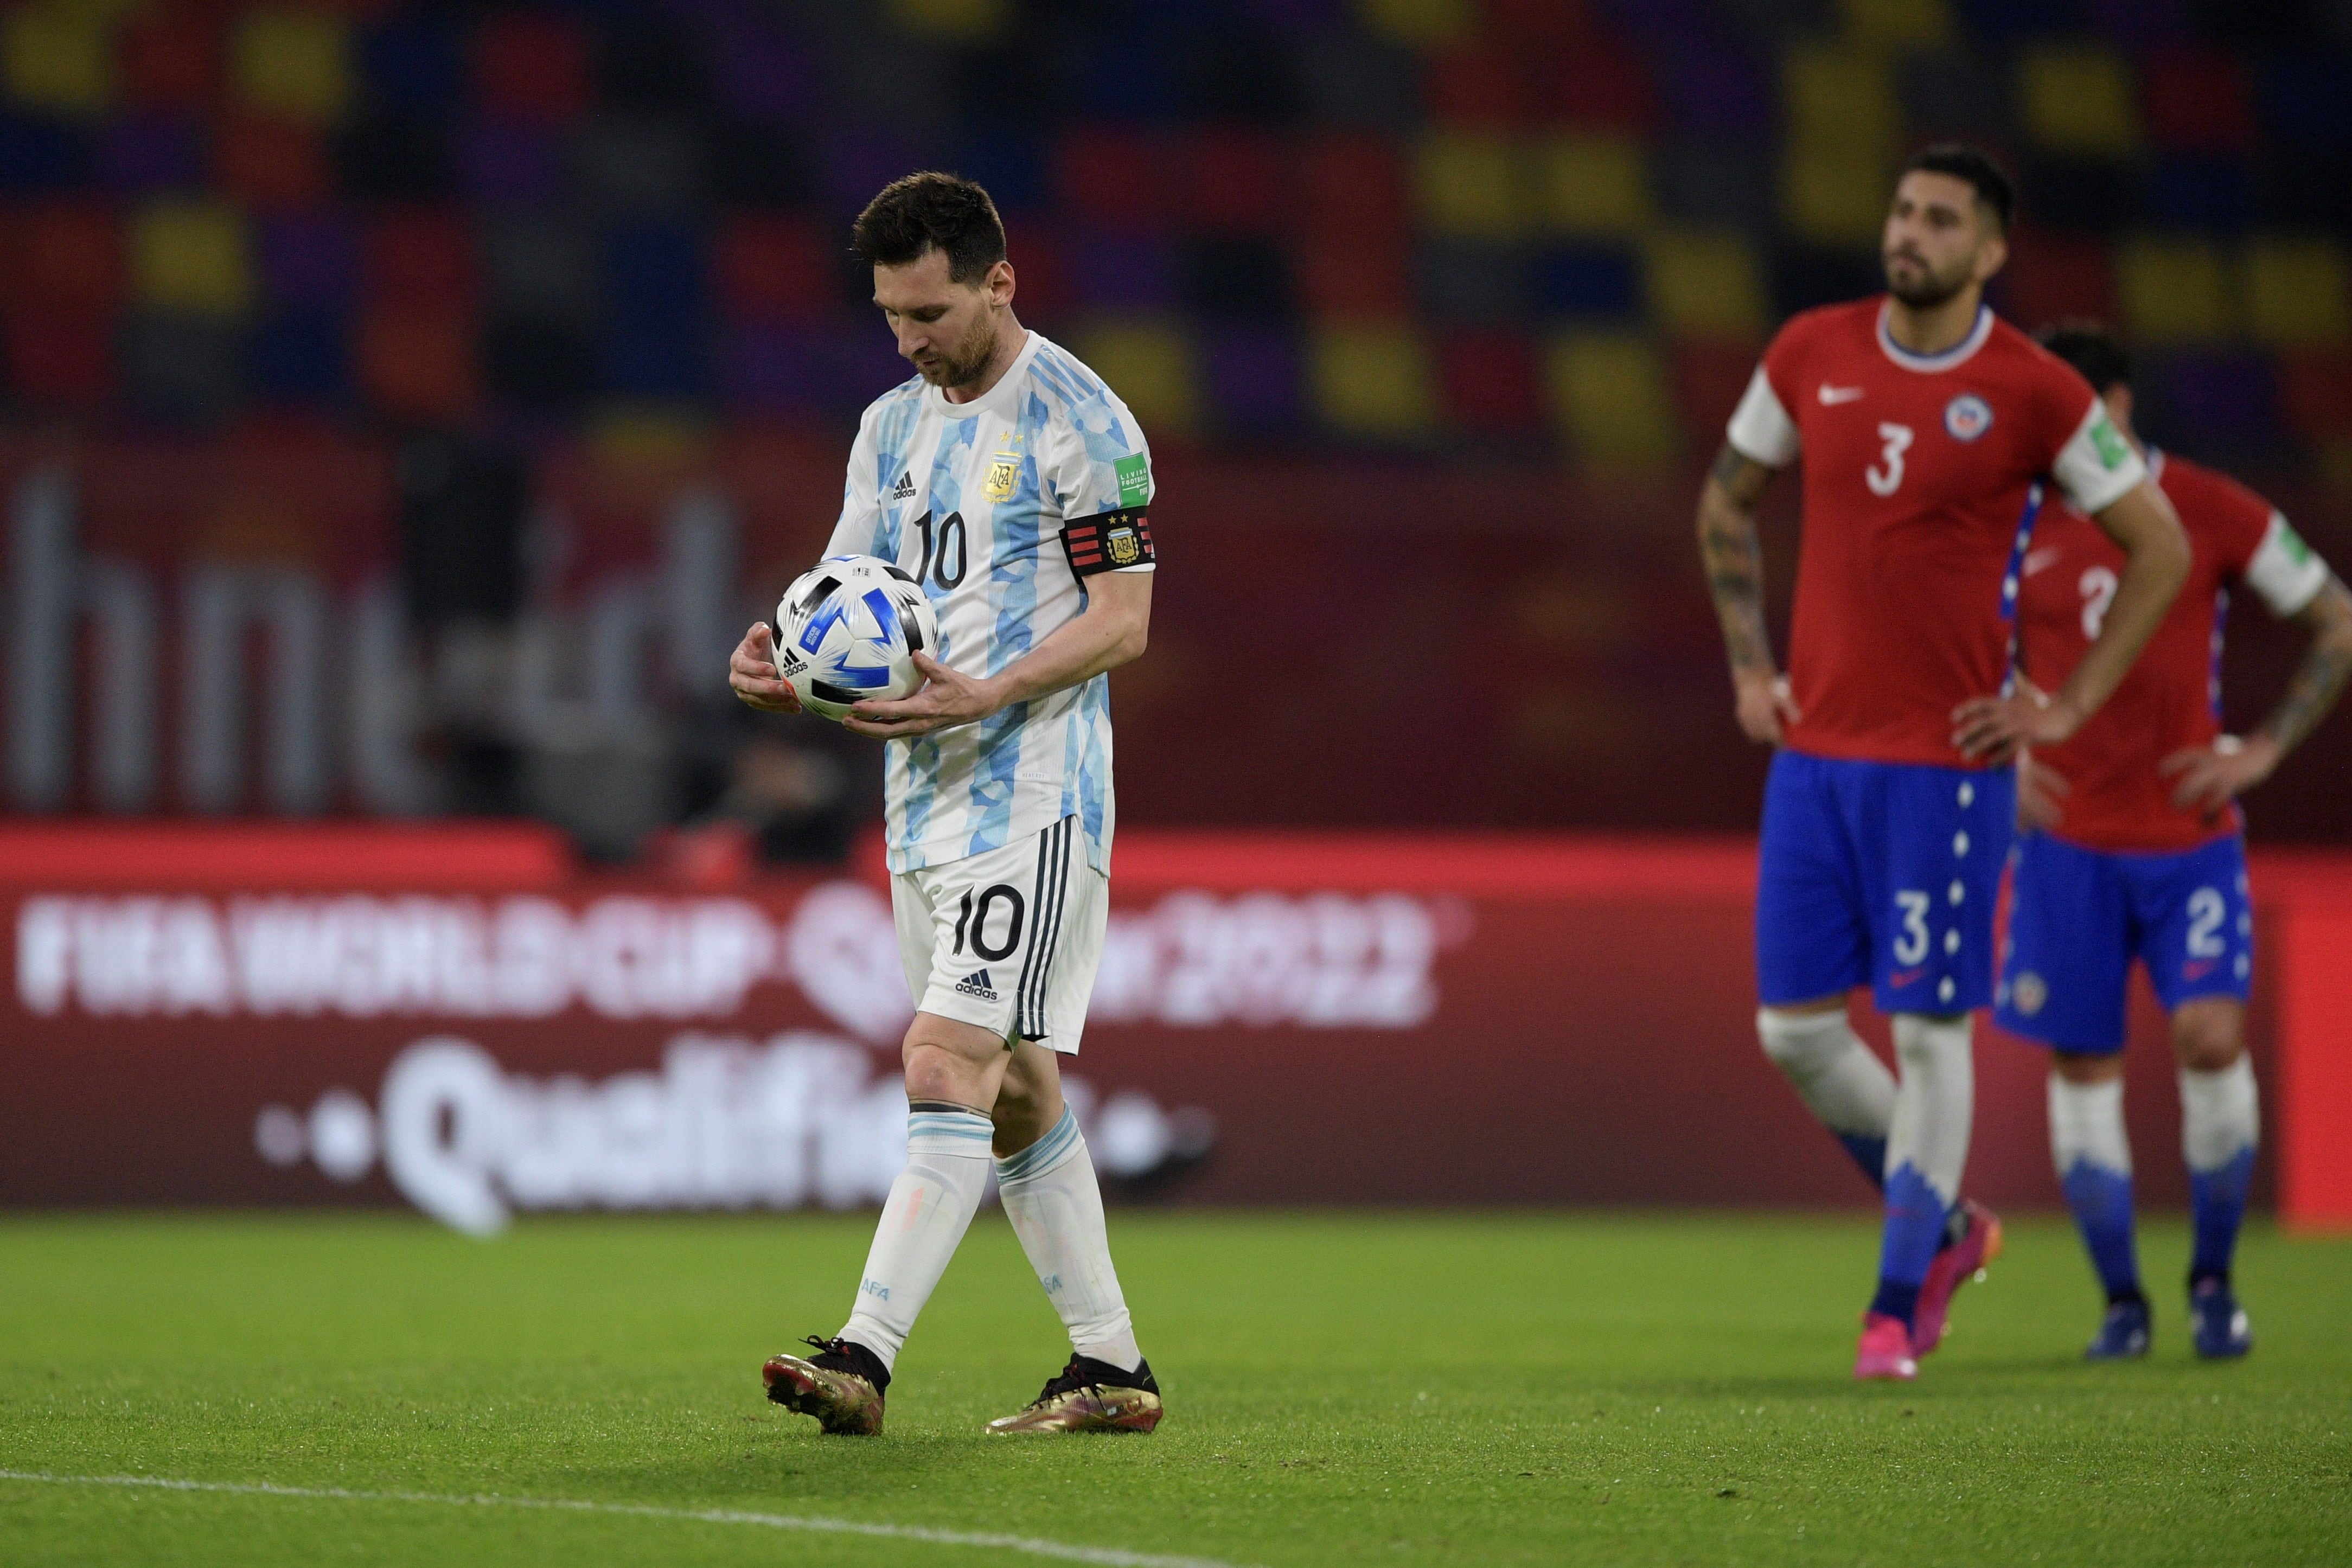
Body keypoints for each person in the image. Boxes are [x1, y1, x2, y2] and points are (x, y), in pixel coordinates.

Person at [1696, 144, 2191, 1381]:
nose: (1907, 232)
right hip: (1814, 755)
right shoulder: (1809, 349)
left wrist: (2066, 705)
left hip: (1945, 766)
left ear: (1988, 251)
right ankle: (1955, 1229)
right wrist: (1752, 666)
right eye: (1901, 210)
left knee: (1927, 1031)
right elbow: (1723, 502)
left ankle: (1892, 1301)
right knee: (1792, 1032)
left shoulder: (2031, 390)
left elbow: (2159, 547)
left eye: (1938, 219)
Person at [726, 172, 1162, 1436]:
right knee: (1016, 1089)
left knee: (940, 1060)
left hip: (1031, 793)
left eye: (929, 313)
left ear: (998, 282)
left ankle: (861, 1359)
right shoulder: (888, 427)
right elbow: (840, 593)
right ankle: (1110, 1370)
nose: (910, 341)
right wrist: (778, 664)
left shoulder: (1087, 423)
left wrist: (987, 695)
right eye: (890, 317)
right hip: (916, 799)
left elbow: (1123, 625)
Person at [1998, 323, 2352, 1361]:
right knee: (2084, 1060)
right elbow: (1950, 649)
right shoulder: (2012, 523)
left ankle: (2213, 1283)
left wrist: (2264, 752)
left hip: (2186, 835)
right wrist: (2003, 760)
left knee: (2211, 1037)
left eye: (2079, 415)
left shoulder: (2209, 506)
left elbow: (2337, 619)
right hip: (2066, 841)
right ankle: (2122, 1304)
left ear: (2118, 408)